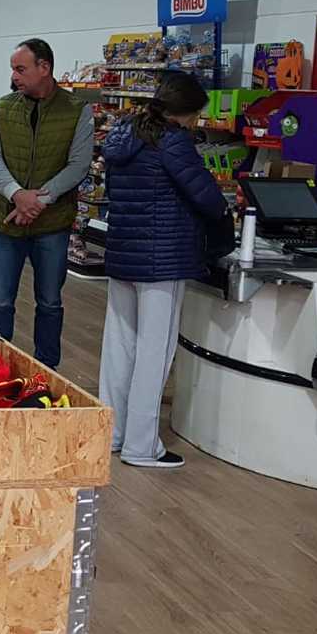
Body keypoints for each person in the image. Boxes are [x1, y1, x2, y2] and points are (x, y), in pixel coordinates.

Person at [99, 72, 229, 469]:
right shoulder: (174, 141)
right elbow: (208, 198)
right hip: (162, 257)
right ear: (186, 112)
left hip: (123, 250)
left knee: (118, 347)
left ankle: (111, 435)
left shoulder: (123, 133)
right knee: (154, 353)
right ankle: (142, 446)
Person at [0, 38, 92, 369]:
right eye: (13, 69)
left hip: (52, 225)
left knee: (50, 302)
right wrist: (17, 194)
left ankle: (46, 370)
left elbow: (78, 165)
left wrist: (38, 200)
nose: (14, 76)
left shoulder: (77, 111)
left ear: (44, 68)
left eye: (20, 69)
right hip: (7, 221)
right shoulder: (3, 108)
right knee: (0, 301)